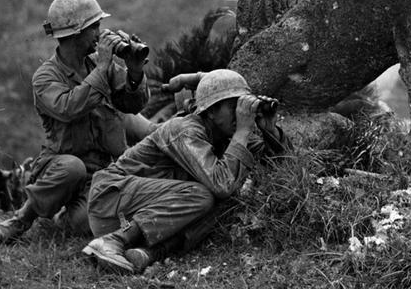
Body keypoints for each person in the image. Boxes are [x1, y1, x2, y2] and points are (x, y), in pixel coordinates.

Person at [0, 0, 153, 244]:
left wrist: (135, 71)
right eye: (94, 27)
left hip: (100, 172)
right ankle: (20, 220)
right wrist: (103, 68)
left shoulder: (98, 65)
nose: (100, 33)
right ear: (76, 33)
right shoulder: (45, 77)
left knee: (83, 224)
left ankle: (61, 218)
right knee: (72, 168)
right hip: (60, 168)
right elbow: (69, 107)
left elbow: (132, 104)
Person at [82, 69, 290, 274]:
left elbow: (284, 166)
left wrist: (269, 130)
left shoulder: (226, 135)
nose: (240, 114)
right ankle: (113, 240)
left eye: (242, 106)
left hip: (141, 208)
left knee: (227, 204)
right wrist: (243, 131)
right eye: (234, 106)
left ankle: (148, 253)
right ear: (210, 111)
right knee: (201, 195)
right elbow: (221, 184)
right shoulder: (184, 130)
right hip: (110, 200)